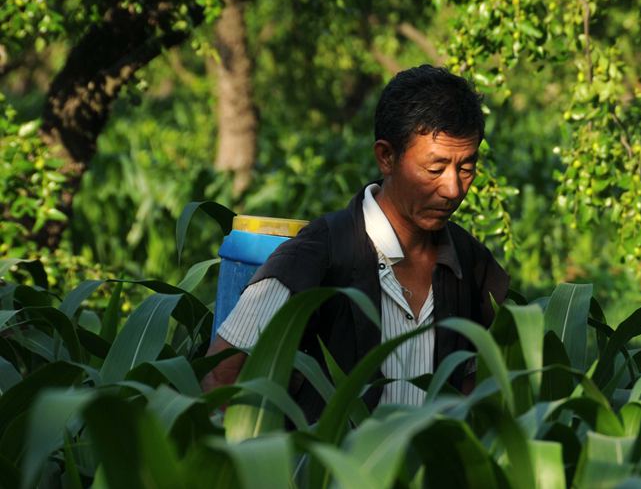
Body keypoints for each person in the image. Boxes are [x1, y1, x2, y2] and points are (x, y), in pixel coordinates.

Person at [201, 65, 509, 422]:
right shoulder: (317, 256)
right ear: (386, 157)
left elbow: (478, 385)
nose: (453, 188)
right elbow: (222, 377)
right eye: (434, 168)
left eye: (466, 168)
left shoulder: (470, 266)